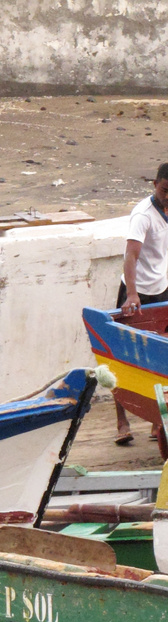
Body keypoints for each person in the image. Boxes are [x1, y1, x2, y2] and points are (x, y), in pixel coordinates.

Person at [113, 163, 168, 445]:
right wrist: (132, 294)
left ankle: (155, 419)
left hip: (162, 290)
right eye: (164, 190)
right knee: (122, 354)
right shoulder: (142, 216)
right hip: (136, 291)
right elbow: (130, 257)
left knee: (160, 355)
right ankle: (122, 421)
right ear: (154, 184)